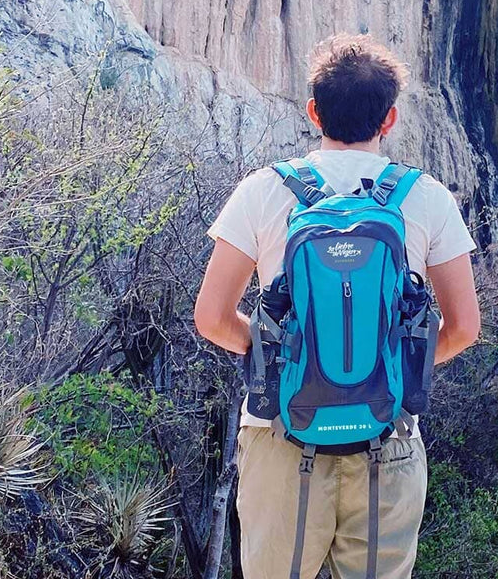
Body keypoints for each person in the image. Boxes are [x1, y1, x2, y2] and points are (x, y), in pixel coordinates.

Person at [194, 34, 481, 579]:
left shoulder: (262, 192)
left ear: (313, 112)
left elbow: (211, 317)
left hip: (281, 435)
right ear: (390, 118)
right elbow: (464, 327)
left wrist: (279, 363)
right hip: (387, 439)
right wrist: (390, 369)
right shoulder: (426, 199)